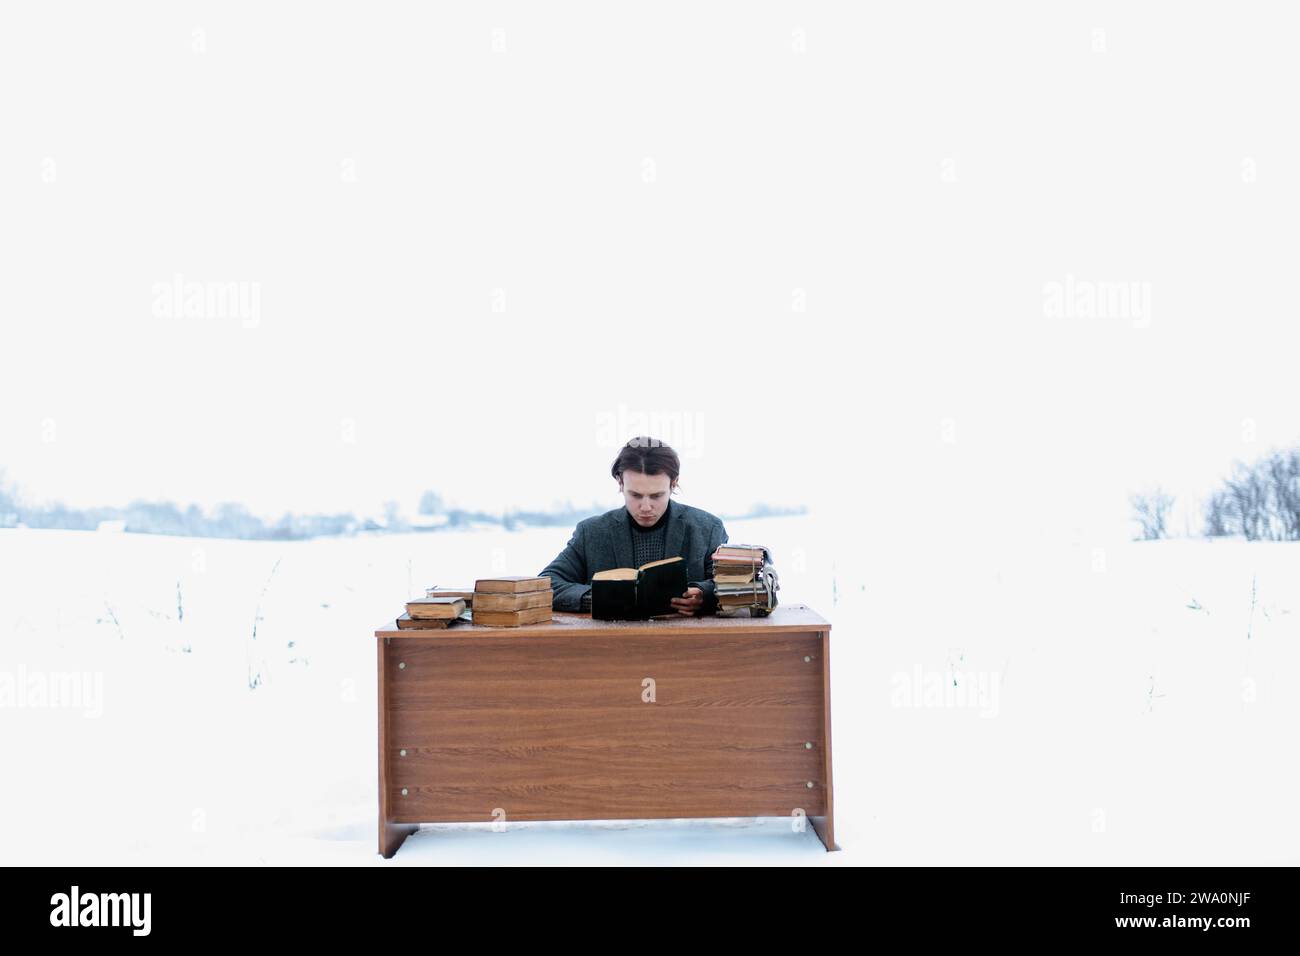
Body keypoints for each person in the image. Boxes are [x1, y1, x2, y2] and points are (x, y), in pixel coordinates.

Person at [538, 437, 728, 616]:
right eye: (635, 495)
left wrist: (705, 595)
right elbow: (546, 582)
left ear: (674, 484)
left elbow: (734, 583)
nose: (646, 507)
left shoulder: (708, 528)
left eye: (656, 496)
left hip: (685, 644)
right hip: (610, 646)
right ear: (620, 483)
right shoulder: (591, 532)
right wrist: (599, 598)